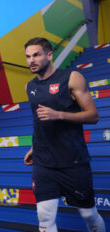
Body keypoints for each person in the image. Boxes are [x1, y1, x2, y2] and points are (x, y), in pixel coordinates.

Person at [23, 37, 105, 232]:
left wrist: (58, 115)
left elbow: (93, 116)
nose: (31, 60)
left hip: (73, 161)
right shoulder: (30, 86)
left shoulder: (71, 78)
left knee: (89, 215)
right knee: (44, 217)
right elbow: (39, 122)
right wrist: (35, 148)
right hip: (43, 162)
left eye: (36, 55)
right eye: (28, 56)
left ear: (49, 55)